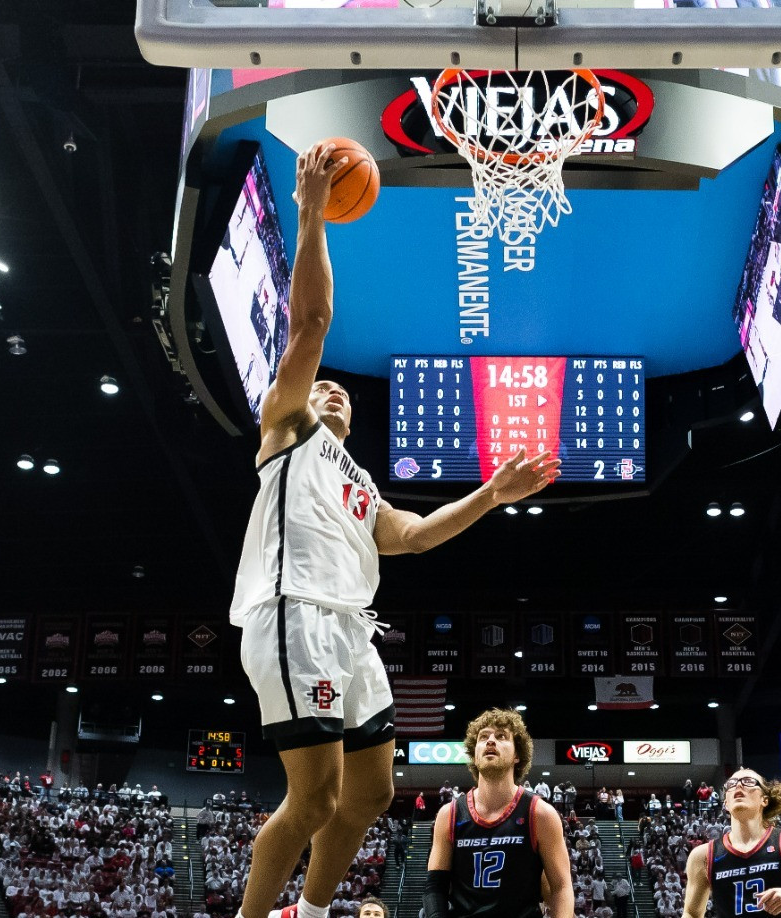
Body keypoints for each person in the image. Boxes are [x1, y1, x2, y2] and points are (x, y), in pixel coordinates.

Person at [229, 141, 559, 918]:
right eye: (325, 388)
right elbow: (310, 321)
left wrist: (490, 493)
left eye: (344, 394)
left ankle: (307, 913)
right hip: (294, 614)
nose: (333, 393)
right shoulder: (286, 431)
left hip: (351, 630)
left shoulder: (358, 482)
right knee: (311, 801)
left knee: (371, 792)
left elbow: (412, 537)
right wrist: (311, 215)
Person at [424, 708, 573, 918]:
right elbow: (435, 888)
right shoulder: (449, 814)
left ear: (517, 755)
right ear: (474, 756)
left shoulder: (540, 813)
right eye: (483, 737)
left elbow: (561, 887)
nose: (490, 741)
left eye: (501, 736)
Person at [679, 768, 781, 918]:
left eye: (748, 781)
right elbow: (691, 913)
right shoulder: (703, 855)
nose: (739, 785)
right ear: (726, 803)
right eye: (731, 784)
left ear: (764, 800)